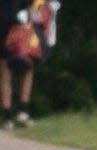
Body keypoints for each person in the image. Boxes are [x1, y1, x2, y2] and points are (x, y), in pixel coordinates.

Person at [0, 0, 59, 129]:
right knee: (19, 67)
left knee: (10, 69)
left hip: (11, 17)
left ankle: (10, 116)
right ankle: (19, 112)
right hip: (16, 18)